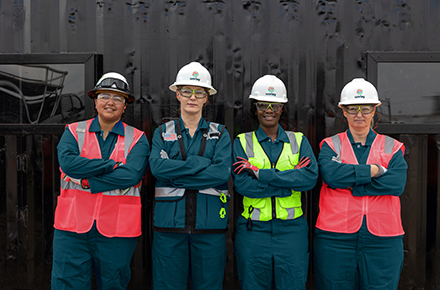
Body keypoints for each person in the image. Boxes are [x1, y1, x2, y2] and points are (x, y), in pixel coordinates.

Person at [51, 72, 150, 289]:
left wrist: (88, 182)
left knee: (114, 283)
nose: (110, 102)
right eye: (105, 96)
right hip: (72, 229)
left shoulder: (138, 138)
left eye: (118, 98)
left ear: (125, 106)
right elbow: (68, 164)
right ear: (95, 101)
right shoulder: (73, 131)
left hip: (117, 231)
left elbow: (131, 175)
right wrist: (110, 165)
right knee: (67, 283)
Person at [314, 78, 408, 289]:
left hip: (383, 239)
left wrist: (353, 185)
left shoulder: (392, 147)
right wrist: (374, 171)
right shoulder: (330, 145)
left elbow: (396, 184)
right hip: (335, 238)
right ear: (343, 111)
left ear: (374, 110)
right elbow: (332, 177)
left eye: (365, 109)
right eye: (352, 108)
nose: (359, 115)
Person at [149, 61, 232, 290]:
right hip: (168, 229)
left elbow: (221, 172)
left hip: (210, 229)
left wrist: (176, 174)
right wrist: (200, 162)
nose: (192, 97)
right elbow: (157, 168)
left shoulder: (221, 133)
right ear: (178, 95)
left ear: (207, 97)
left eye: (199, 92)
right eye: (186, 91)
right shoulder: (162, 133)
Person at [232, 75, 319, 290]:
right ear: (255, 108)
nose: (269, 109)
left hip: (292, 231)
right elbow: (243, 186)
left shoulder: (298, 140)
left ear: (282, 108)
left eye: (275, 105)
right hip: (253, 232)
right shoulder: (242, 142)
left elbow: (309, 179)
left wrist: (262, 174)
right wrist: (289, 182)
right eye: (263, 104)